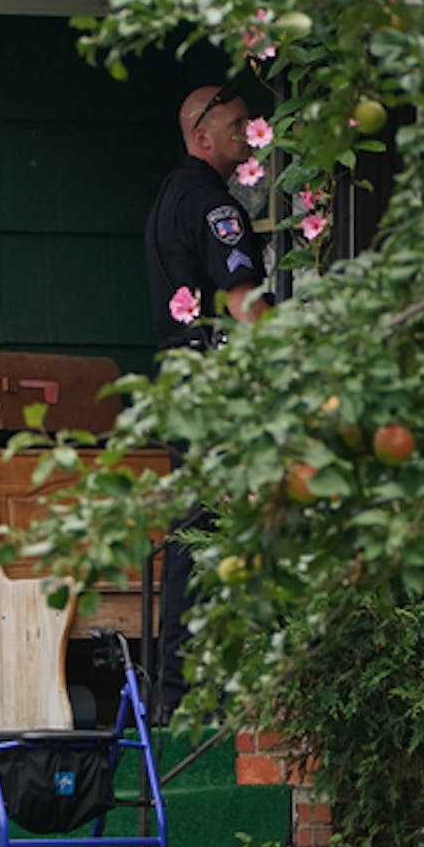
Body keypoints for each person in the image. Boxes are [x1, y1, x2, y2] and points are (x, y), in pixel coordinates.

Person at [144, 84, 270, 722]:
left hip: (181, 376)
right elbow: (245, 304)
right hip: (217, 384)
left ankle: (177, 693)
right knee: (219, 530)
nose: (250, 133)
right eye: (238, 124)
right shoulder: (215, 206)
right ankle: (203, 693)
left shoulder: (167, 199)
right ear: (202, 136)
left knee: (195, 532)